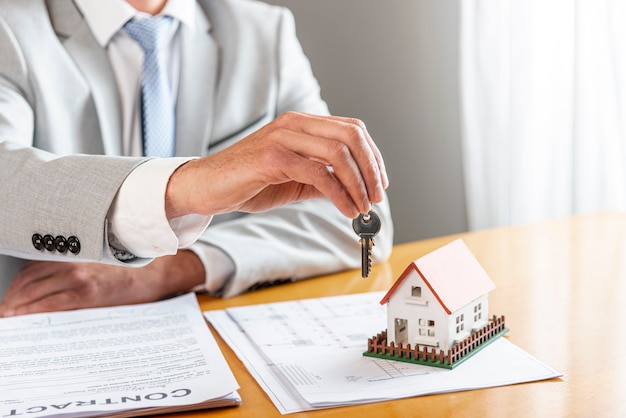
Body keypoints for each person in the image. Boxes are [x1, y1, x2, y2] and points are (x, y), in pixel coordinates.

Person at [0, 0, 393, 317]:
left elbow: (359, 222)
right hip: (36, 330)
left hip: (206, 331)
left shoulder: (263, 31)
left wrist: (169, 270)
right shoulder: (10, 26)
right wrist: (187, 185)